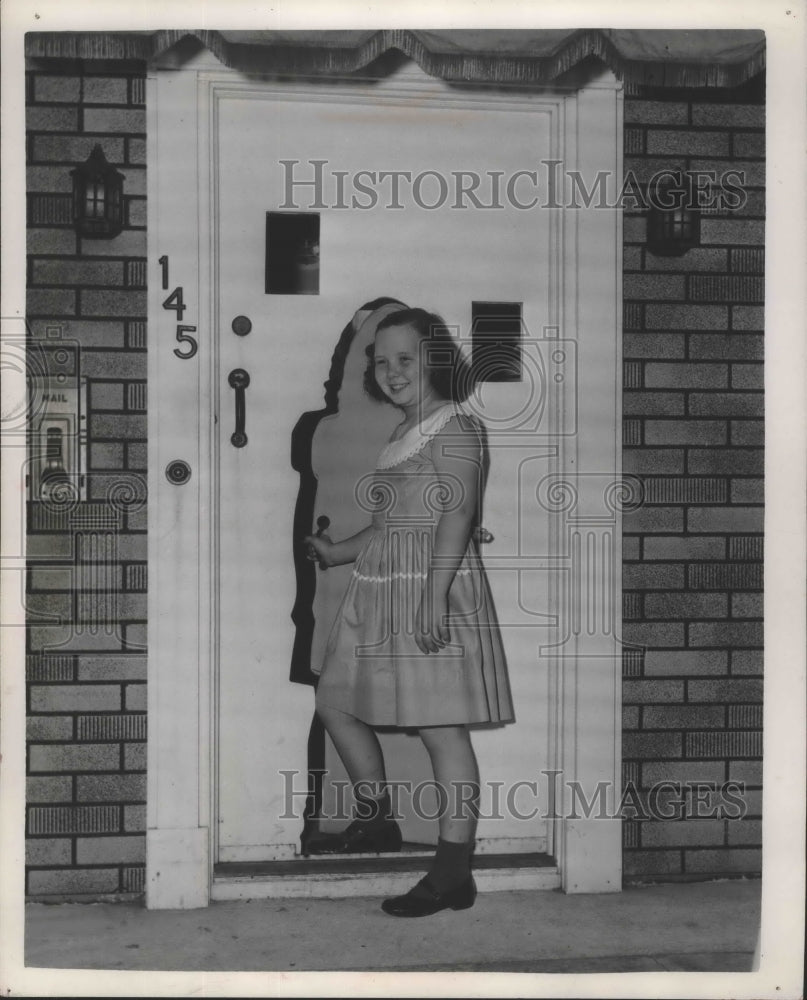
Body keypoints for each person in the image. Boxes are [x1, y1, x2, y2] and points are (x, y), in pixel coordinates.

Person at [303, 307, 514, 917]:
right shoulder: (403, 432)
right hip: (380, 590)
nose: (392, 372)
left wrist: (433, 596)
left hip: (430, 591)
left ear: (436, 361)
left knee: (441, 730)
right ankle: (376, 821)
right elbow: (389, 525)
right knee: (335, 702)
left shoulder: (457, 427)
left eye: (406, 359)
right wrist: (336, 552)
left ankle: (452, 874)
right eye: (381, 362)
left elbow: (458, 514)